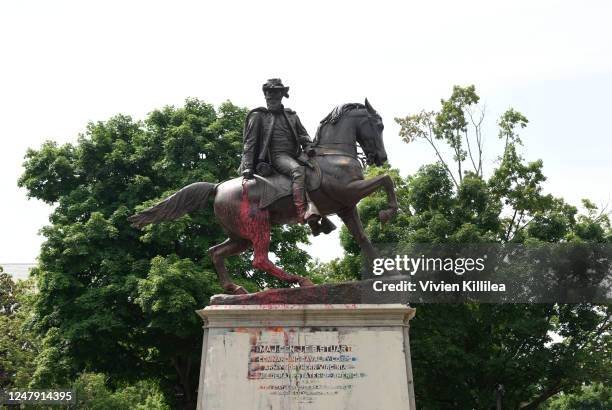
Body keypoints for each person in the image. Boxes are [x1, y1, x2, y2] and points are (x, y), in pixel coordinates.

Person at [239, 79, 335, 235]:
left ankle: (322, 213)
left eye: (275, 92)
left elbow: (303, 135)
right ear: (265, 95)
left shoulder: (291, 115)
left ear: (282, 94)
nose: (271, 96)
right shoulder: (258, 116)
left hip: (297, 154)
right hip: (276, 156)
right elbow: (250, 143)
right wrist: (248, 166)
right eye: (269, 93)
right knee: (298, 171)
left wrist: (309, 146)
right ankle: (303, 213)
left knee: (320, 171)